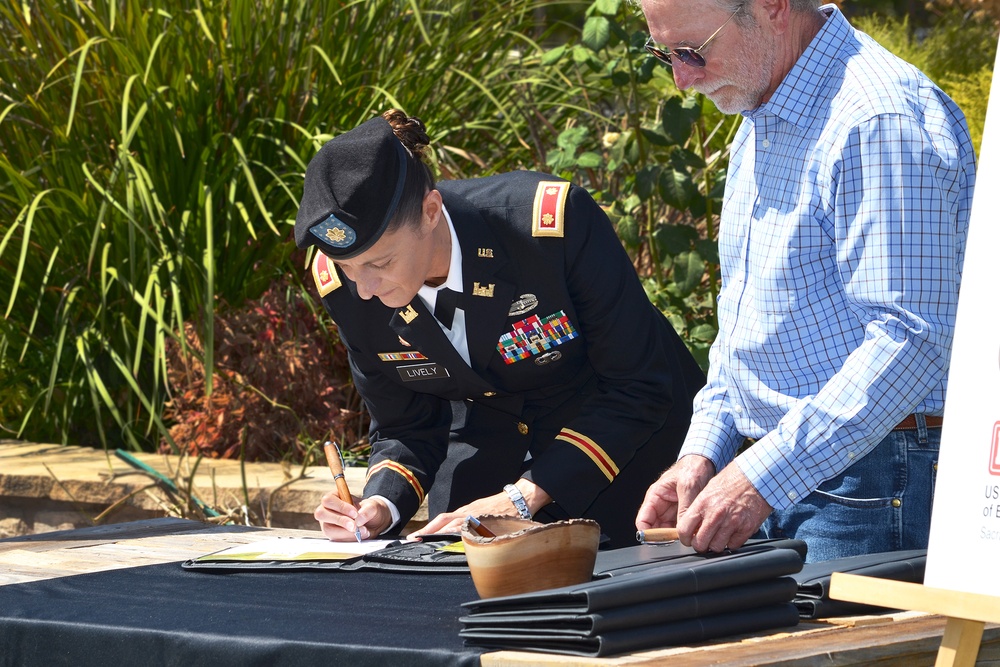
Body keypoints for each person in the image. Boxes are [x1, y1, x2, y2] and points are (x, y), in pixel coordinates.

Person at [636, 0, 976, 562]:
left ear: (771, 7)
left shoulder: (876, 117)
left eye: (693, 51)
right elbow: (746, 321)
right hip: (794, 468)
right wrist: (704, 451)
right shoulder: (765, 103)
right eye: (664, 53)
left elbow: (912, 339)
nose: (681, 79)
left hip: (871, 477)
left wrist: (760, 478)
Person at [295, 109, 706, 548]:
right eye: (347, 266)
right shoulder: (345, 284)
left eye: (381, 262)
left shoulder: (549, 227)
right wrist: (379, 506)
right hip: (481, 482)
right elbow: (403, 426)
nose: (365, 289)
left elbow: (639, 386)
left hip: (624, 468)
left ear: (430, 211)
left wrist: (525, 496)